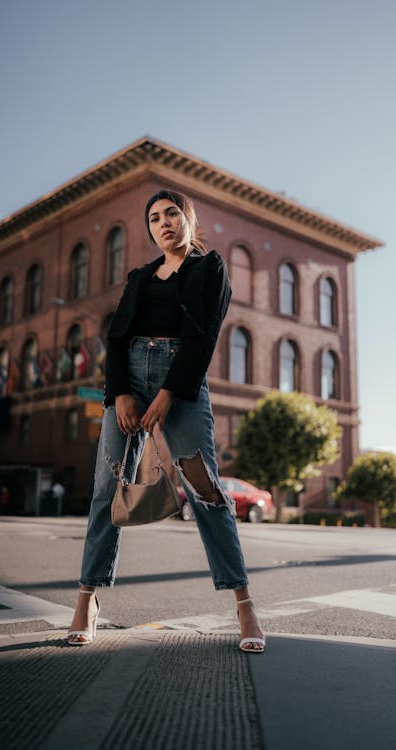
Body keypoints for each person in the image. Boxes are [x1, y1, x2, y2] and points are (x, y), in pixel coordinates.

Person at [67, 190, 265, 653]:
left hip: (182, 379)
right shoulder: (139, 277)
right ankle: (86, 598)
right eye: (154, 218)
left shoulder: (209, 268)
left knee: (207, 489)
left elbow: (204, 336)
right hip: (129, 379)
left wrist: (169, 394)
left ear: (188, 218)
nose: (163, 224)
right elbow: (116, 339)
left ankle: (243, 603)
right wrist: (119, 393)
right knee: (105, 488)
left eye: (172, 214)